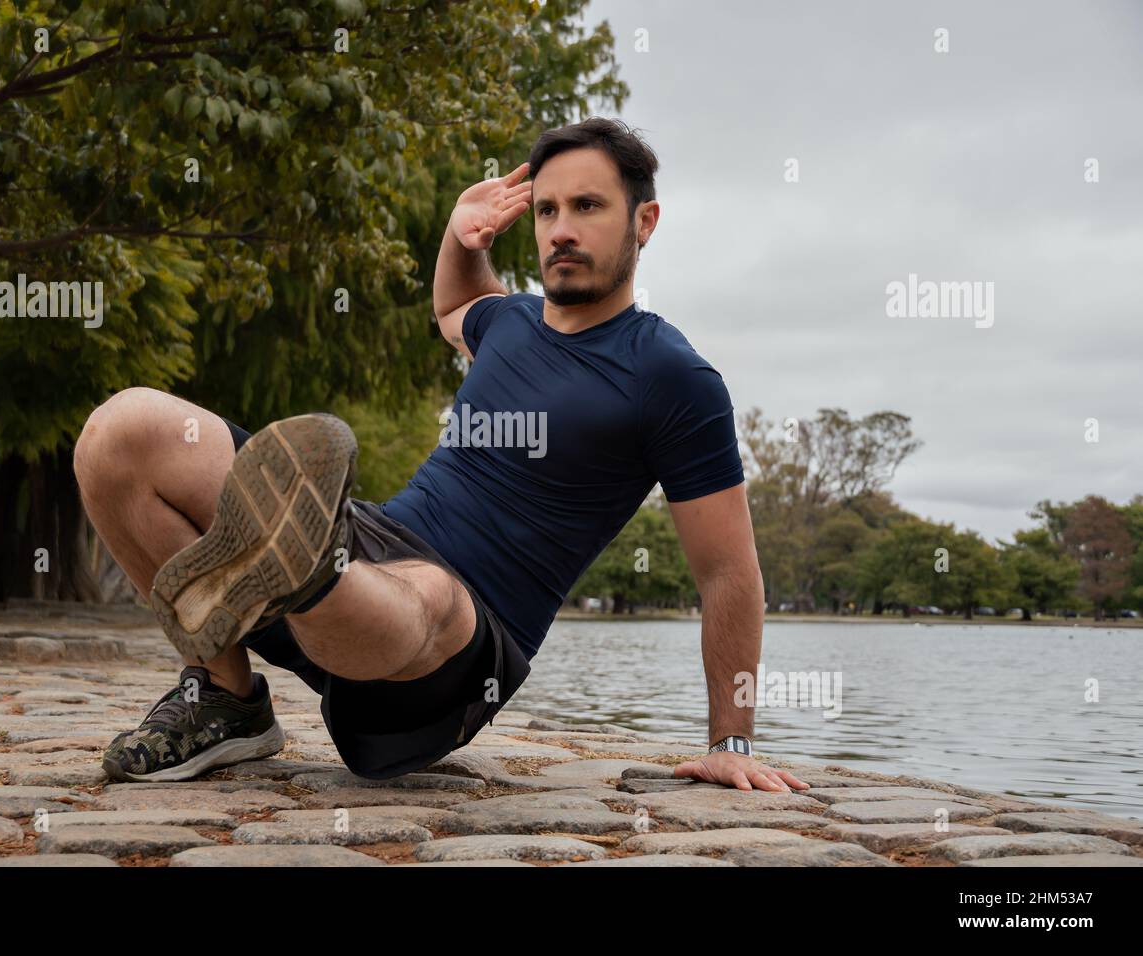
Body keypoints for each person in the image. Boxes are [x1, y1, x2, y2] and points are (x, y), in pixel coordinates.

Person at [75, 116, 808, 794]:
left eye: (587, 206)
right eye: (547, 210)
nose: (560, 229)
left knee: (423, 597)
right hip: (374, 537)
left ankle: (301, 562)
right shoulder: (512, 319)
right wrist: (462, 237)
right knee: (121, 433)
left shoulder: (672, 375)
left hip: (465, 636)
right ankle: (228, 693)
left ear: (645, 221)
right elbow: (453, 308)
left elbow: (727, 571)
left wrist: (732, 743)